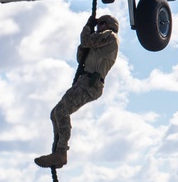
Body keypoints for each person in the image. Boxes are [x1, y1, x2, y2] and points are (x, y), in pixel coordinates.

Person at [34, 14, 120, 169]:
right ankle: (57, 151)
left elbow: (86, 41)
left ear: (108, 25)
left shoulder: (110, 37)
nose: (98, 26)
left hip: (90, 84)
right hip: (84, 80)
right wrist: (86, 42)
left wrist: (88, 27)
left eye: (101, 23)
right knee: (55, 113)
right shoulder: (100, 42)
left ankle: (61, 152)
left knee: (62, 110)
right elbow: (82, 57)